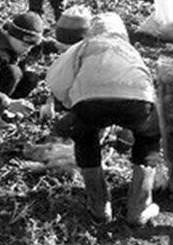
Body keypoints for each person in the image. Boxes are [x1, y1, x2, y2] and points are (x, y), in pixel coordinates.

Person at [45, 13, 161, 226]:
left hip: (90, 104)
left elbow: (56, 79)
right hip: (138, 103)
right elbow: (145, 84)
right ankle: (139, 208)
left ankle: (100, 207)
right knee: (149, 140)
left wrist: (70, 106)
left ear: (92, 31)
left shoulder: (85, 45)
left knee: (85, 139)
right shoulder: (130, 49)